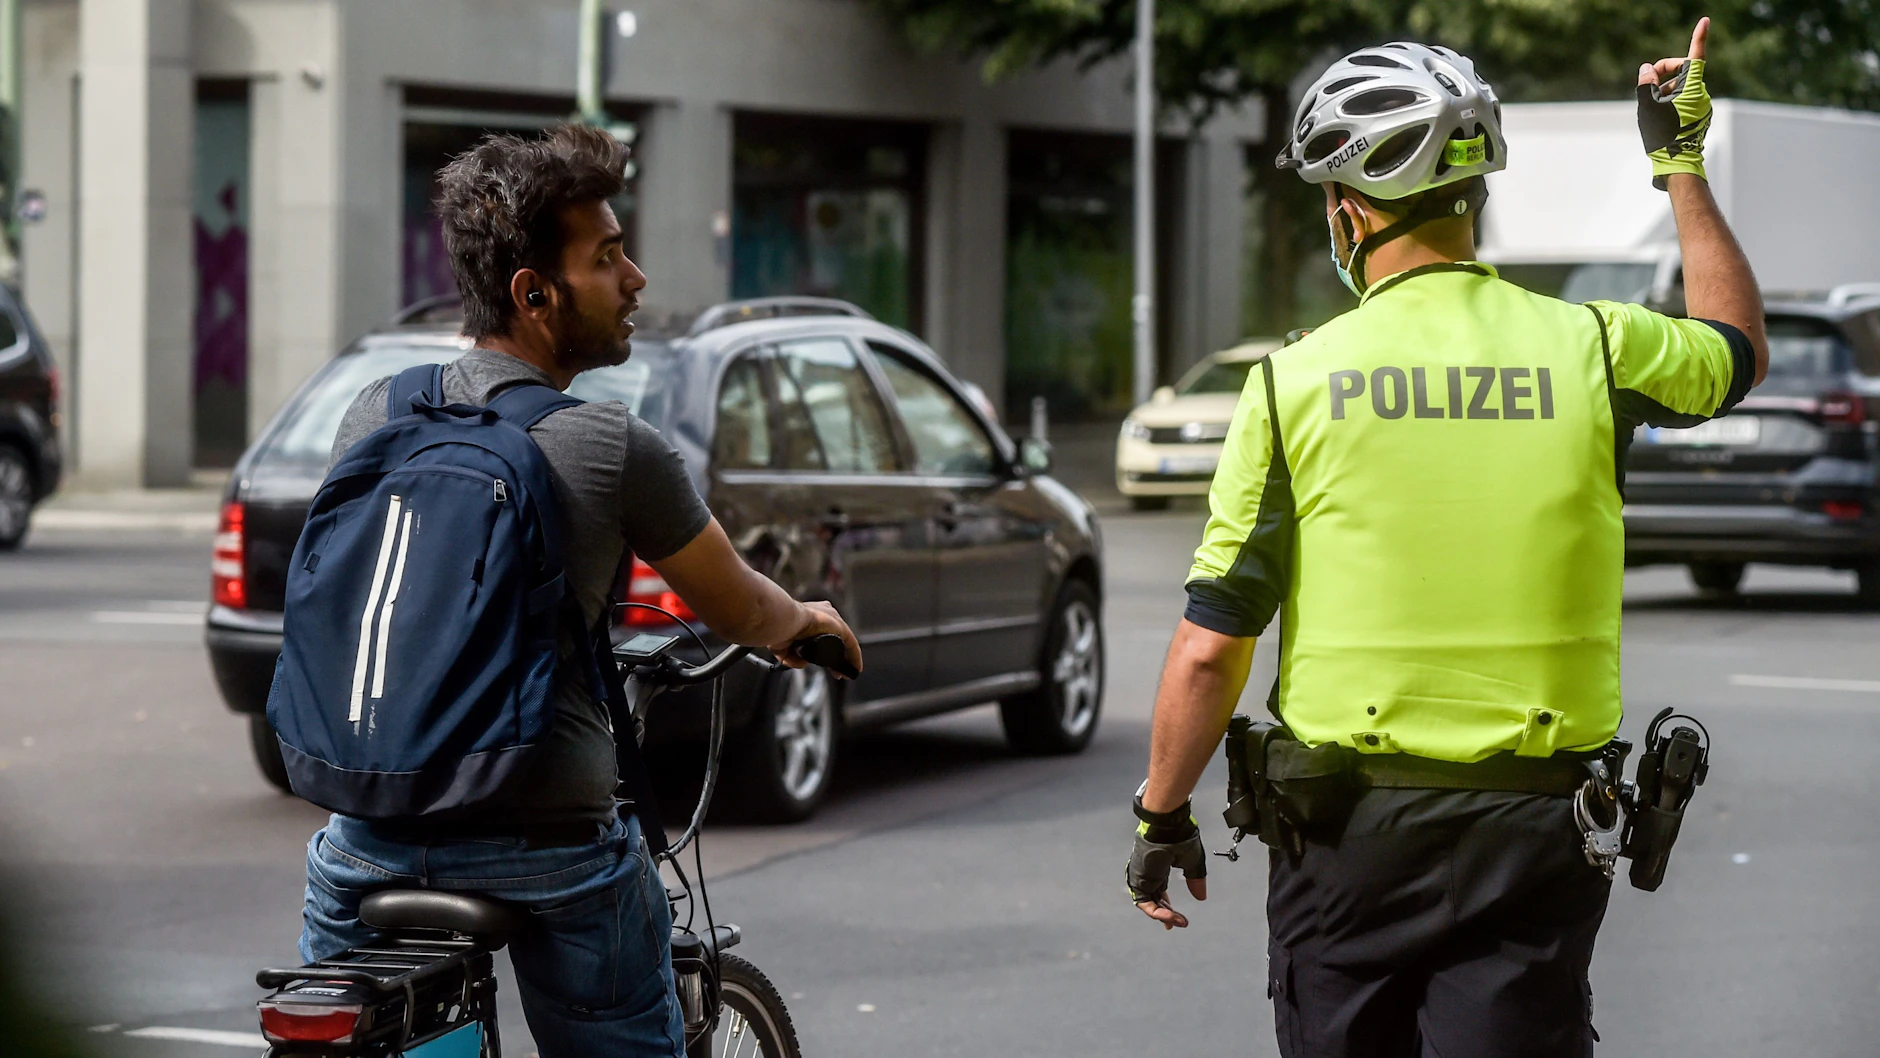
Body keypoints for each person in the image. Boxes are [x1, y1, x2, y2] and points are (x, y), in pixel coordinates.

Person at [1125, 19, 1765, 1057]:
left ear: (1346, 210)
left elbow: (1211, 641)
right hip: (1535, 827)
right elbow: (1735, 348)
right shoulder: (1596, 347)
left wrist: (1160, 818)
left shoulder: (1290, 384)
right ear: (1470, 195)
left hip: (1345, 837)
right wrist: (1677, 163)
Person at [296, 125, 862, 1057]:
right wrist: (808, 625)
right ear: (535, 294)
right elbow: (742, 608)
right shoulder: (609, 445)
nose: (635, 277)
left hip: (365, 835)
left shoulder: (377, 412)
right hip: (549, 846)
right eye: (607, 258)